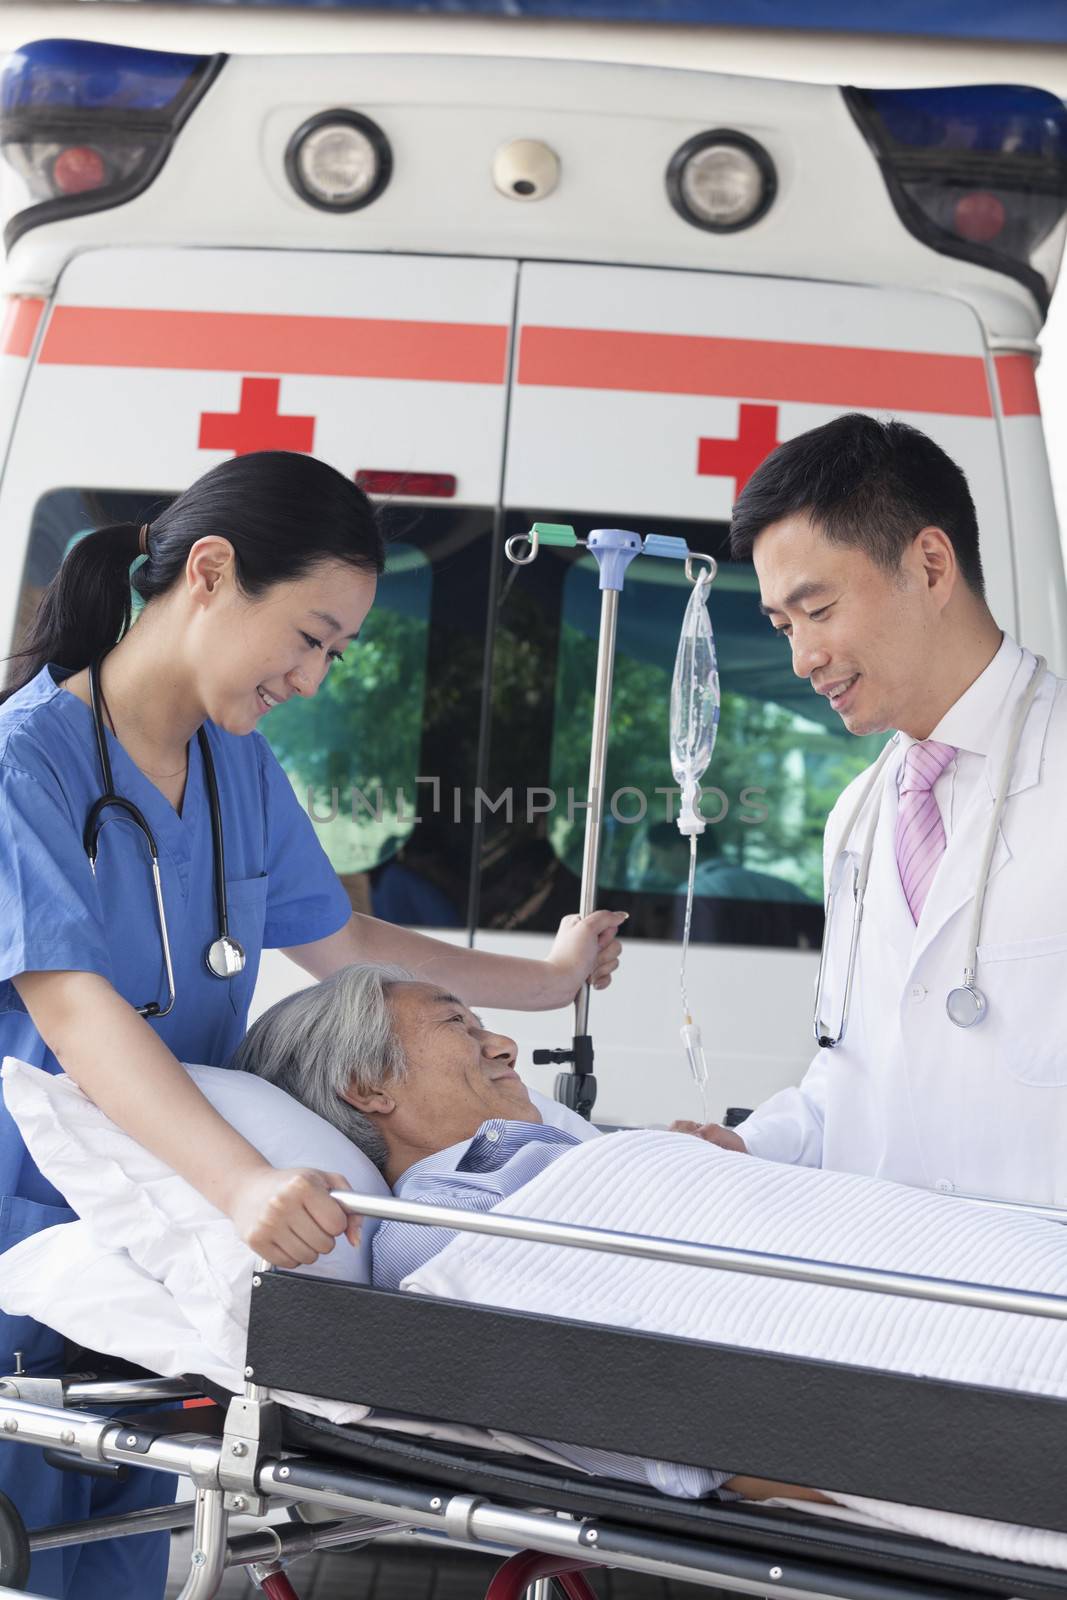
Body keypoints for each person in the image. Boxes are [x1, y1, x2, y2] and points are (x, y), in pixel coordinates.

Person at [0, 449, 624, 1598]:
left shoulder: (238, 769)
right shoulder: (21, 766)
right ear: (211, 571)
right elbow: (78, 1013)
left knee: (129, 1570)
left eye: (336, 651)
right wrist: (242, 1184)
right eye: (309, 636)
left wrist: (546, 980)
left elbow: (342, 943)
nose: (317, 677)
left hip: (175, 1272)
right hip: (40, 1249)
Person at [230, 961, 827, 1509]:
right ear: (368, 1086)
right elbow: (664, 1423)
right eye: (457, 1024)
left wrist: (694, 1172)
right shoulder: (436, 1241)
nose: (504, 1046)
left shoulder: (549, 1170)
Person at [681, 413, 1066, 1206]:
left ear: (928, 565)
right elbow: (853, 1075)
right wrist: (749, 1146)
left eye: (816, 612)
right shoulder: (856, 817)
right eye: (783, 626)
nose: (800, 658)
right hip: (886, 1290)